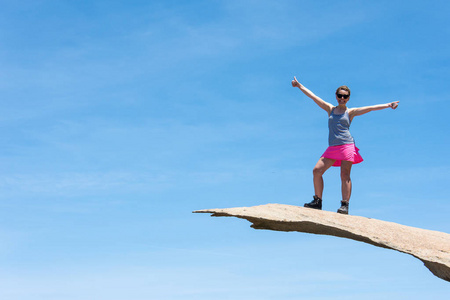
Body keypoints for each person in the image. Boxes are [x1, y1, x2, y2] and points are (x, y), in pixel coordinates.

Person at [291, 76, 399, 214]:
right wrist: (299, 86)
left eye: (345, 96)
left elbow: (370, 108)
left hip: (347, 146)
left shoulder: (350, 112)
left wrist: (388, 105)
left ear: (348, 98)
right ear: (336, 96)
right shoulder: (330, 109)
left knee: (344, 175)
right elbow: (313, 97)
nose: (342, 98)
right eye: (340, 95)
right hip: (332, 147)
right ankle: (317, 201)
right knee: (317, 171)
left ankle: (345, 205)